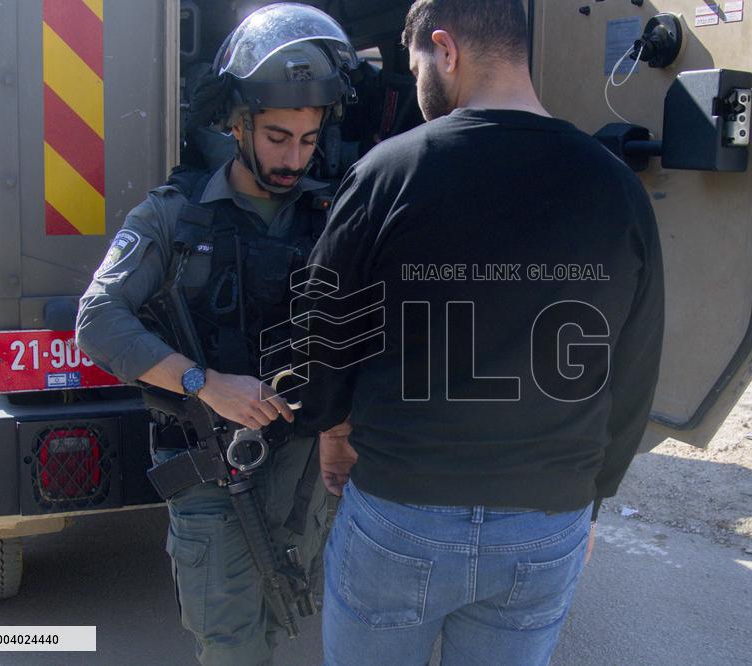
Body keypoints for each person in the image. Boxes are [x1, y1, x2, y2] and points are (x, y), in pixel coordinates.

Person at [299, 1, 665, 664]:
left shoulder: (387, 173)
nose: (417, 89)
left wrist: (331, 428)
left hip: (400, 512)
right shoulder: (616, 187)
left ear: (447, 51)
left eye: (414, 68)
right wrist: (593, 497)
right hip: (545, 523)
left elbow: (326, 331)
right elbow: (635, 367)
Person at [75, 4, 357, 664]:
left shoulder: (330, 217)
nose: (294, 158)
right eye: (277, 136)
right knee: (231, 645)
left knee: (287, 615)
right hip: (212, 467)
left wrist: (341, 432)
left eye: (309, 140)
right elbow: (98, 319)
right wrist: (204, 384)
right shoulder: (173, 218)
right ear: (238, 124)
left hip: (304, 466)